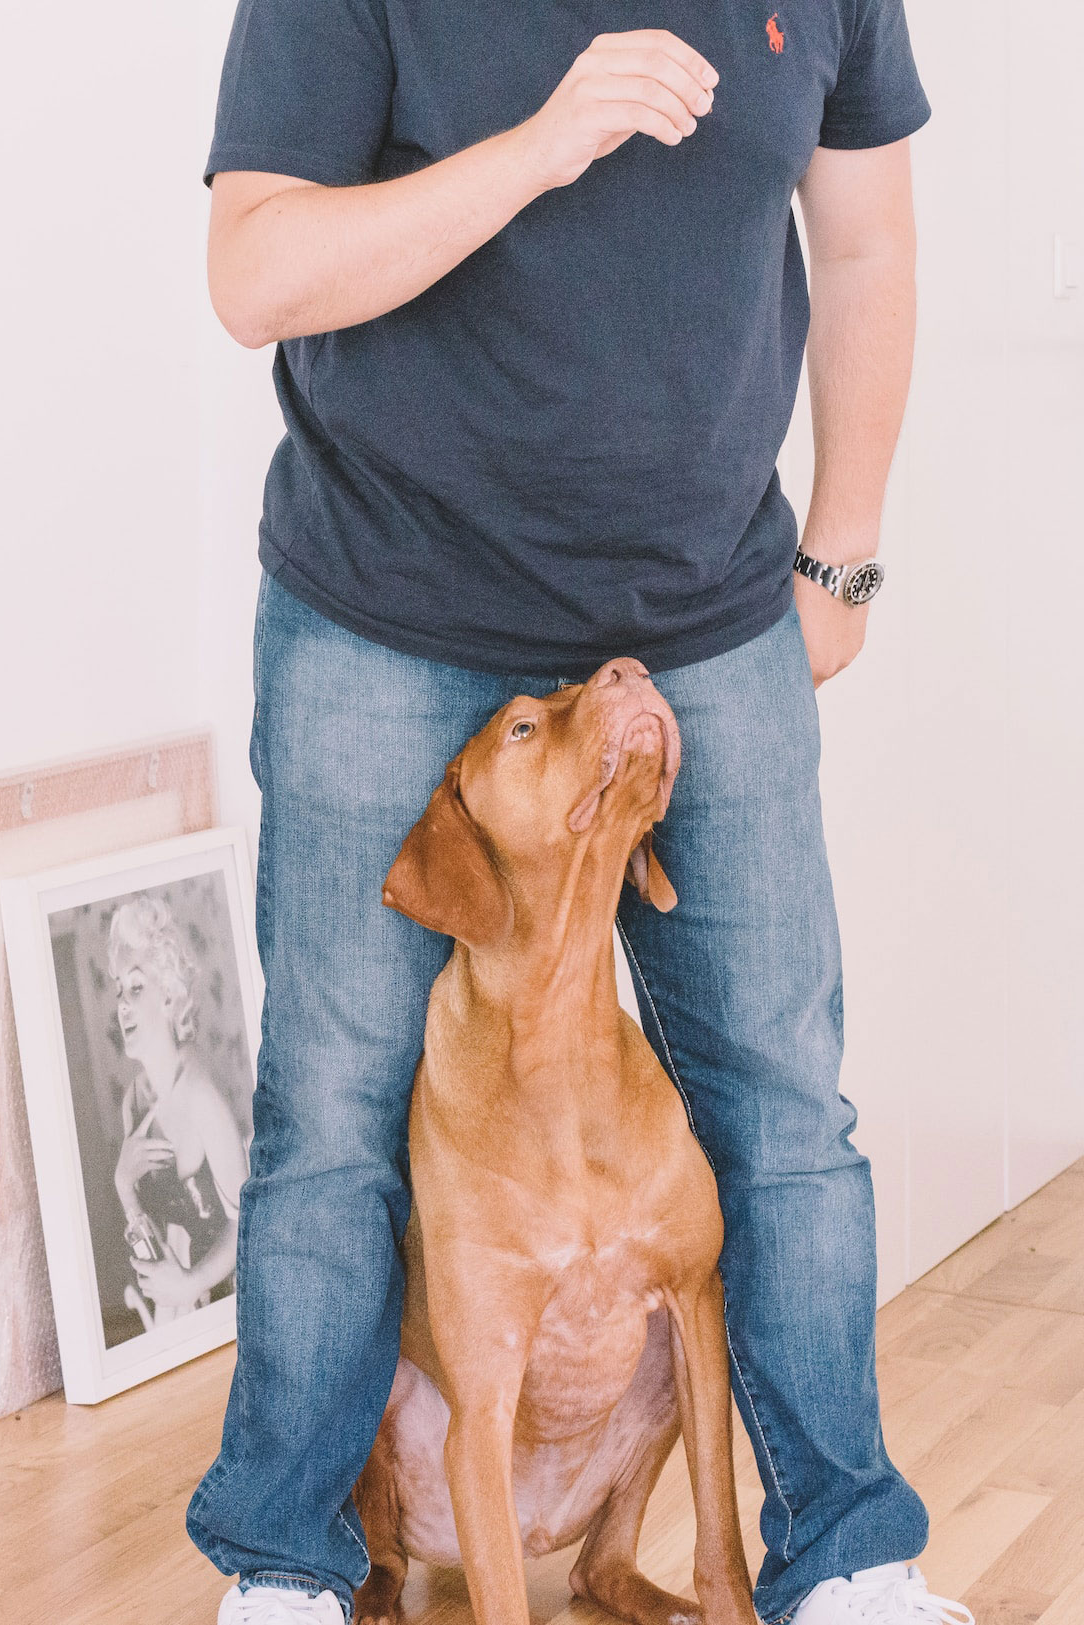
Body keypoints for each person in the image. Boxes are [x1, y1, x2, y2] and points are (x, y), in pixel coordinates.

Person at [190, 6, 971, 1625]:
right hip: (388, 613)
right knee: (331, 1112)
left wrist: (845, 549)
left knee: (781, 1102)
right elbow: (255, 273)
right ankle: (287, 1565)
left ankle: (846, 1561)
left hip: (703, 621)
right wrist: (541, 148)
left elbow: (869, 240)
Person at [107, 895, 249, 1332]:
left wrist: (191, 1284)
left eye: (136, 987)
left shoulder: (203, 1098)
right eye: (118, 991)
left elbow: (252, 1226)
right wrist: (124, 1187)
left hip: (235, 1302)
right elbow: (150, 1233)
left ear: (169, 996)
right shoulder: (134, 1101)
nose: (123, 1005)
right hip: (179, 1309)